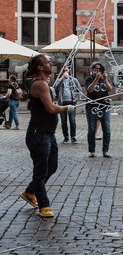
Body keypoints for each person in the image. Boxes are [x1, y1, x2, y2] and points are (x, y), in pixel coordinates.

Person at [19, 54, 74, 218]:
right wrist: (66, 108)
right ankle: (44, 206)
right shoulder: (40, 84)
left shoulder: (44, 84)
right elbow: (50, 109)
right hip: (38, 134)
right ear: (40, 67)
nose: (51, 64)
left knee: (52, 167)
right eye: (47, 62)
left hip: (48, 133)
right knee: (41, 171)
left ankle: (30, 191)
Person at [84, 62, 112, 158]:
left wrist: (105, 79)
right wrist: (96, 79)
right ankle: (92, 151)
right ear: (92, 70)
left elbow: (110, 89)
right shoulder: (89, 78)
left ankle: (105, 150)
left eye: (100, 70)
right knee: (92, 129)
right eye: (95, 70)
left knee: (107, 129)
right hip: (91, 106)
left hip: (105, 106)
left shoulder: (104, 79)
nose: (97, 72)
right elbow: (90, 90)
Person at [54, 66, 81, 143]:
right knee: (63, 121)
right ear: (62, 72)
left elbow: (79, 89)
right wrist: (62, 79)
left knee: (72, 120)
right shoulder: (59, 80)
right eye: (64, 71)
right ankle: (66, 137)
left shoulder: (73, 80)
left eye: (66, 70)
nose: (65, 72)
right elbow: (56, 88)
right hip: (62, 103)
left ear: (69, 70)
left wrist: (76, 98)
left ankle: (73, 137)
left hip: (71, 102)